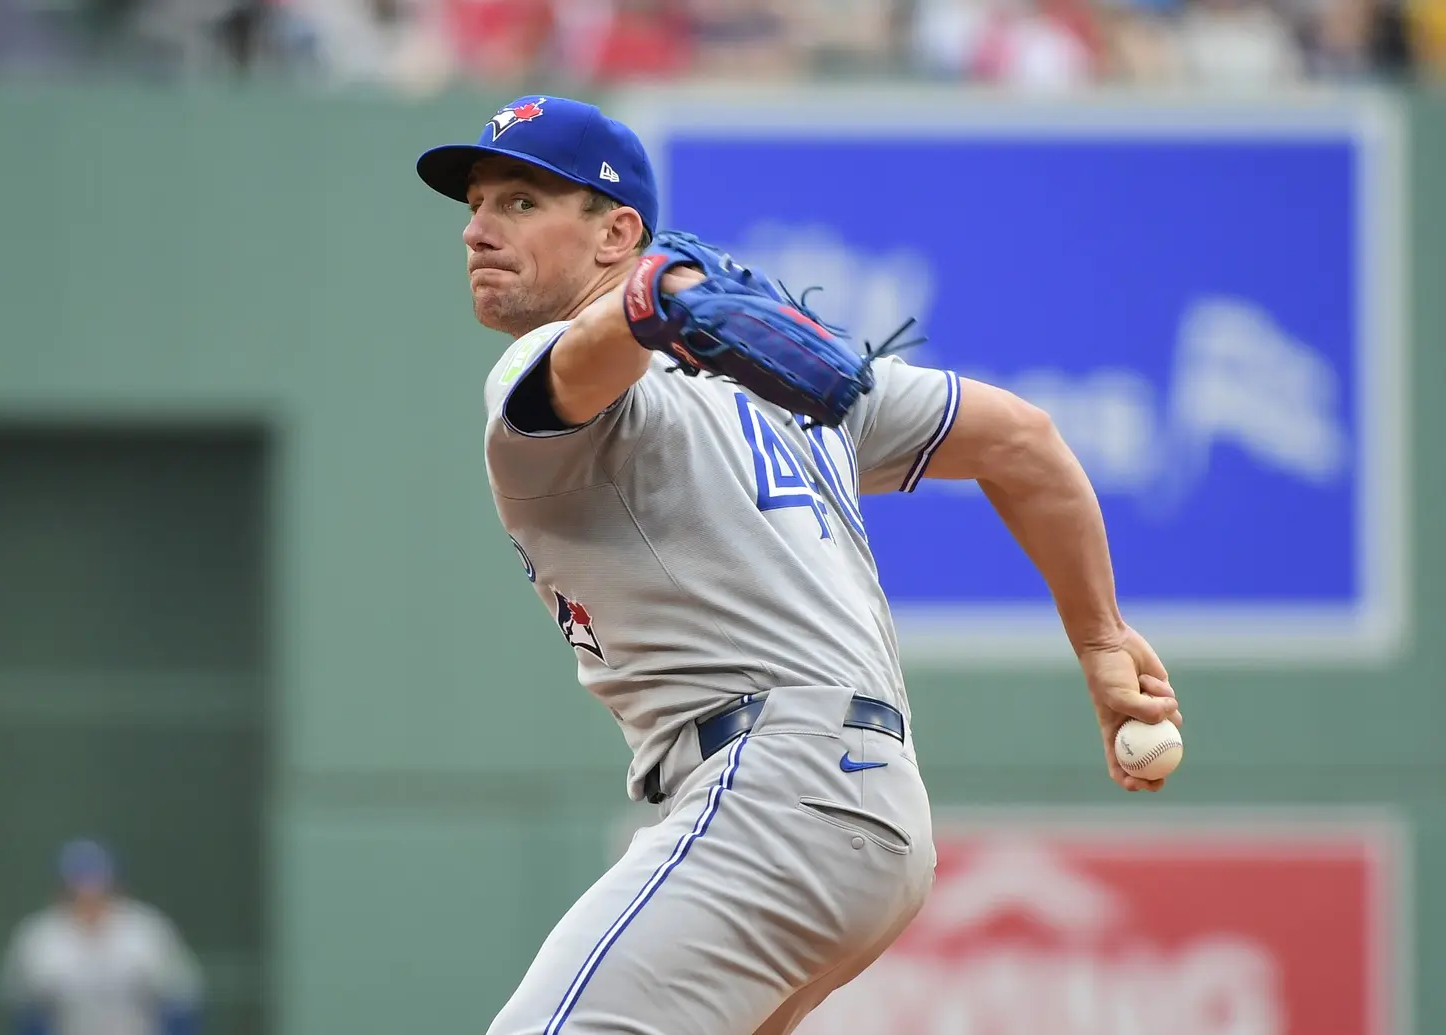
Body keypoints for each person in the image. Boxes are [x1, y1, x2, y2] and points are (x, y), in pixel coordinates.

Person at [415, 94, 1183, 1035]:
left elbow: (583, 365)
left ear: (618, 232)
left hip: (777, 791)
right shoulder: (764, 381)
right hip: (866, 813)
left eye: (521, 202)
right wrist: (1098, 639)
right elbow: (1022, 441)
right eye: (476, 203)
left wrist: (660, 302)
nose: (478, 229)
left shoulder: (555, 365)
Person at [0, 839, 203, 1035]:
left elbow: (181, 1001)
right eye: (79, 882)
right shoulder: (39, 937)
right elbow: (25, 1013)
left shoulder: (146, 930)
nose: (88, 892)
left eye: (96, 881)